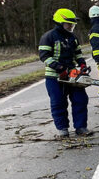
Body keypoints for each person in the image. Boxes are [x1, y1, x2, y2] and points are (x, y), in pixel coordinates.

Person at [39, 8, 92, 138]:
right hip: (54, 77)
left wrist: (82, 64)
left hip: (72, 75)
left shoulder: (73, 38)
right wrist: (59, 67)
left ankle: (81, 127)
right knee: (58, 102)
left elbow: (78, 54)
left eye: (72, 24)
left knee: (80, 99)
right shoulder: (48, 37)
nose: (71, 26)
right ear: (60, 23)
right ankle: (62, 129)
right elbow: (44, 56)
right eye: (69, 24)